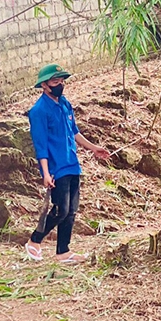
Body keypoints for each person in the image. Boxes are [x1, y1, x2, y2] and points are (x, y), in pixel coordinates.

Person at [24, 63, 110, 264]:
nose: (60, 84)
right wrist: (45, 173)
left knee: (71, 211)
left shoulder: (65, 104)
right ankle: (34, 240)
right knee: (60, 209)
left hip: (72, 163)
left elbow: (75, 132)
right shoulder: (38, 111)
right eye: (55, 81)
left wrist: (94, 148)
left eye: (62, 81)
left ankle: (63, 251)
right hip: (56, 167)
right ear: (44, 85)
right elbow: (41, 145)